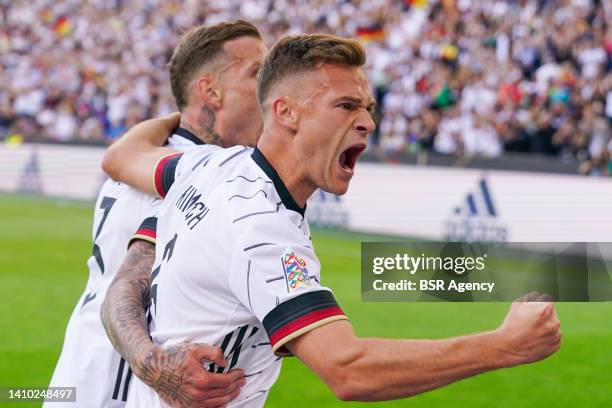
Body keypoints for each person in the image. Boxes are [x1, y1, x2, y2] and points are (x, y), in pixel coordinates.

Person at [101, 34, 562, 407]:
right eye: (346, 106)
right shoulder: (262, 227)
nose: (367, 123)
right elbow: (348, 369)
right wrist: (506, 345)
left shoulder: (207, 165)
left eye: (368, 108)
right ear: (284, 112)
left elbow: (124, 157)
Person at [46, 20, 266, 408]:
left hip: (78, 373)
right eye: (257, 73)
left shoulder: (150, 156)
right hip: (117, 388)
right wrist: (154, 366)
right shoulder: (197, 172)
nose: (270, 86)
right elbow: (127, 289)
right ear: (210, 90)